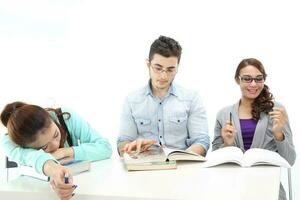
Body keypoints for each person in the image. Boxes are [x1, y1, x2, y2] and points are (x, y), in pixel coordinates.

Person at [212, 58, 296, 200]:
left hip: (269, 189)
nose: (253, 84)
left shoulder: (276, 112)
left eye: (258, 79)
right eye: (247, 79)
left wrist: (278, 134)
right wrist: (227, 144)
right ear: (237, 80)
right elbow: (214, 159)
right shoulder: (224, 114)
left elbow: (290, 160)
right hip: (233, 190)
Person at [117, 35, 210, 156]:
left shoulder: (191, 98)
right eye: (158, 68)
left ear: (177, 68)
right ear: (148, 65)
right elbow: (122, 143)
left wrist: (179, 158)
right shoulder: (132, 100)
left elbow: (202, 141)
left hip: (182, 167)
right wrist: (131, 148)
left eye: (170, 70)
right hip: (145, 166)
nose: (163, 76)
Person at [1, 102, 112, 200]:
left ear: (51, 118)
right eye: (44, 147)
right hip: (38, 192)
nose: (55, 146)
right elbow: (32, 157)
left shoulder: (65, 116)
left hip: (87, 186)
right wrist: (55, 171)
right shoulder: (9, 142)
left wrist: (65, 152)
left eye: (55, 134)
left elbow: (105, 147)